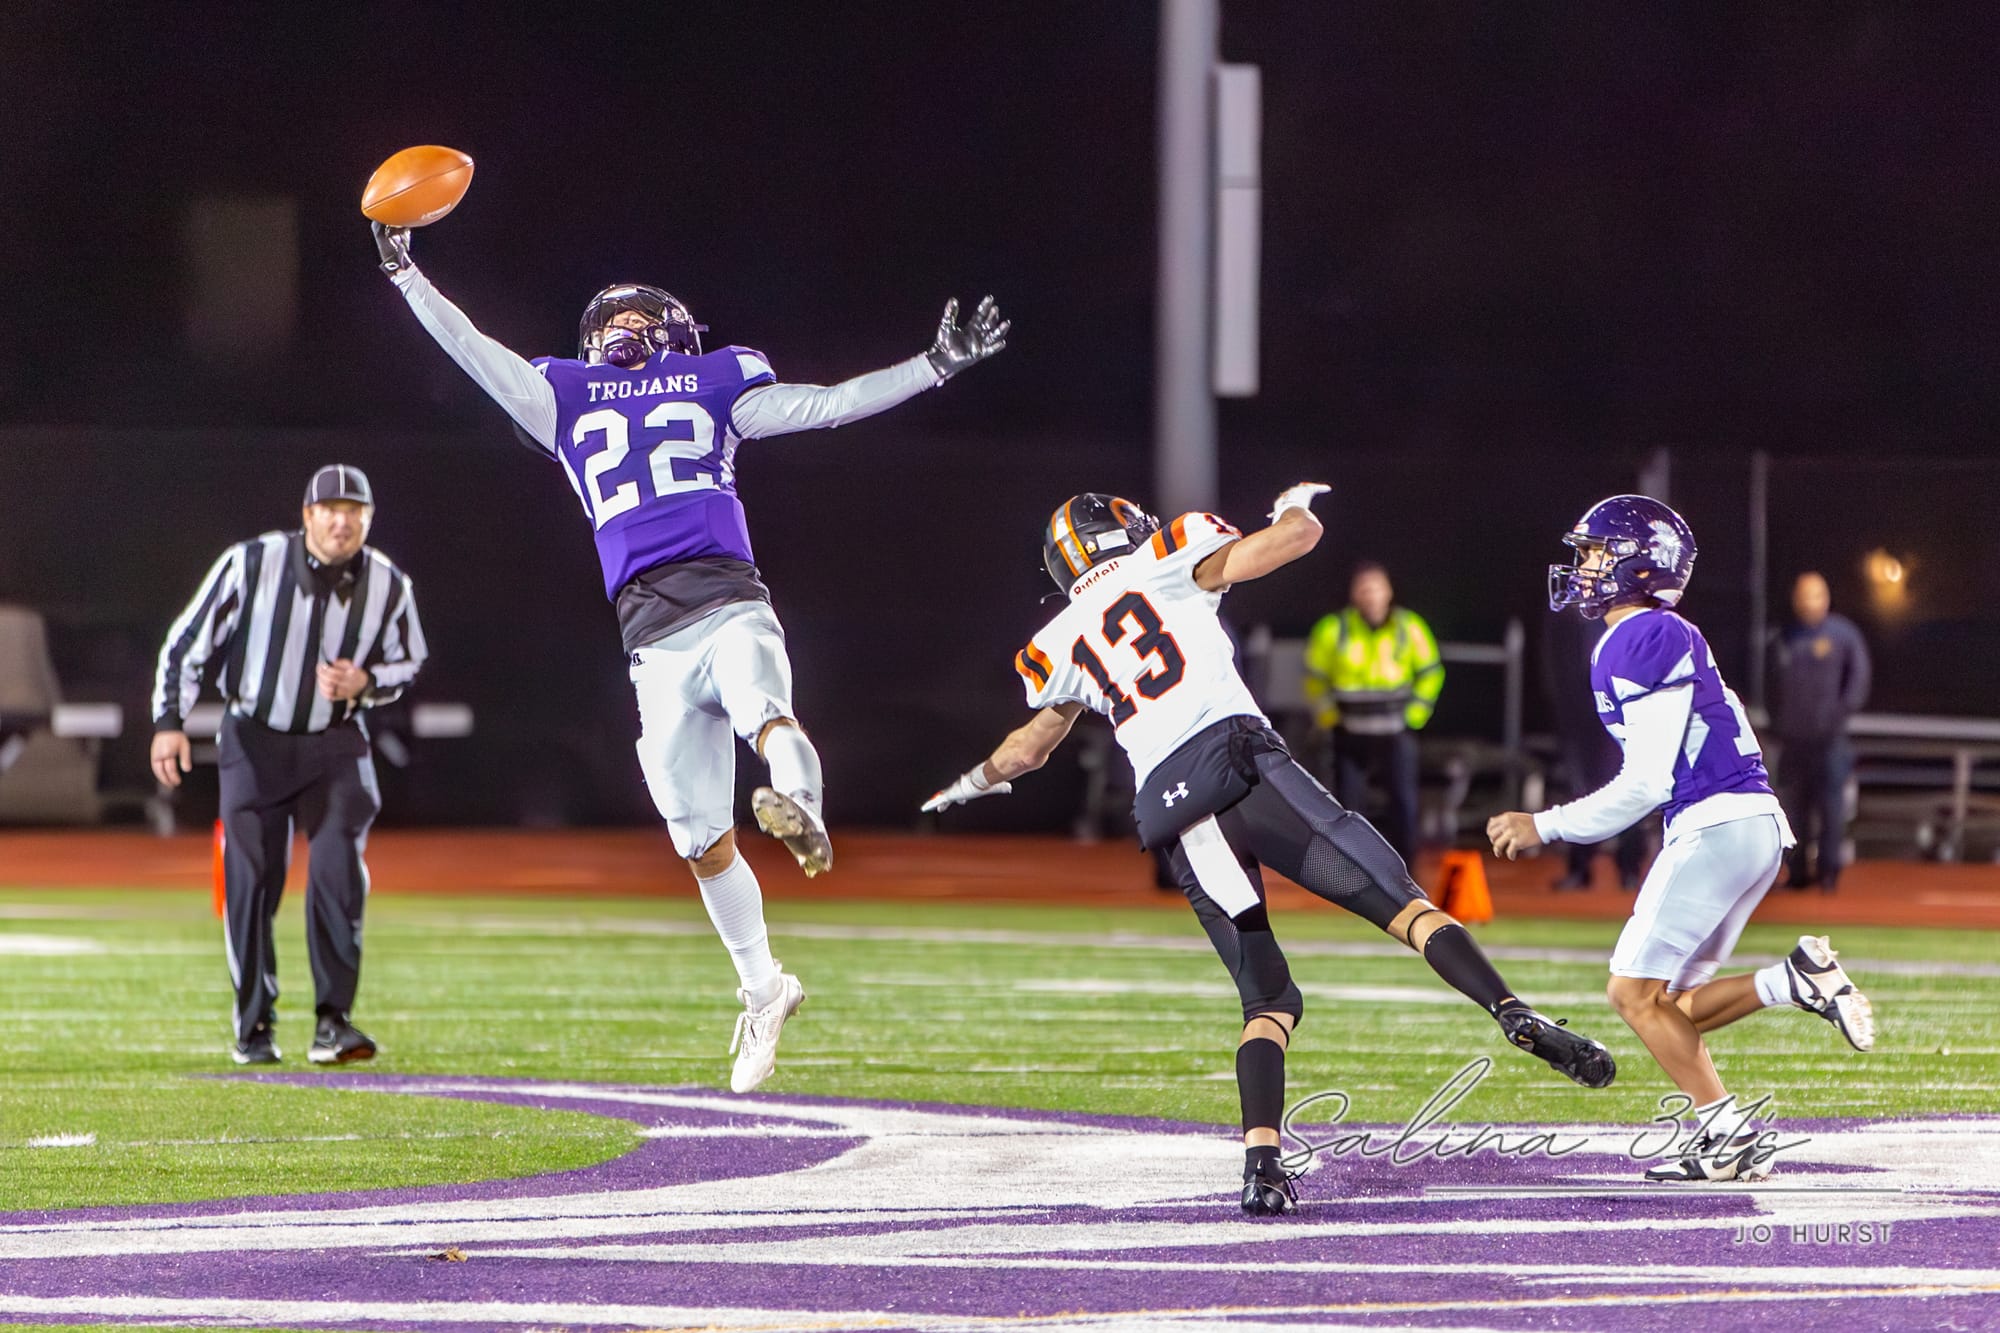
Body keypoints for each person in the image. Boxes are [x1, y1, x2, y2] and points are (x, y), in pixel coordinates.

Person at [370, 220, 1006, 1093]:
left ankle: (803, 809)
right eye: (610, 320)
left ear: (675, 333)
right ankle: (766, 990)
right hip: (650, 641)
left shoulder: (718, 382)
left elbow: (825, 404)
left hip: (729, 598)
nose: (623, 329)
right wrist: (405, 272)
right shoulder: (559, 396)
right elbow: (470, 347)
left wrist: (931, 366)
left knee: (766, 710)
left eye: (640, 318)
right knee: (701, 838)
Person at [924, 486, 1615, 1217]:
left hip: (1174, 811)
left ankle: (1262, 1166)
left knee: (1268, 1000)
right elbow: (1290, 542)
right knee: (1408, 910)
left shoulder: (1059, 639)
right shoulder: (1163, 557)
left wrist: (971, 782)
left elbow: (1028, 750)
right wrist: (1295, 506)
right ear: (1114, 533)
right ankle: (1510, 1010)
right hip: (1245, 763)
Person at [1487, 496, 1874, 1183]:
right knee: (1668, 1004)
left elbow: (1645, 782)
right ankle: (1787, 986)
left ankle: (1725, 1132)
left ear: (1641, 566)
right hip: (1744, 824)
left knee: (1631, 994)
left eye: (1597, 553)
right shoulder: (1654, 634)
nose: (1584, 566)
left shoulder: (1641, 635)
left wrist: (1542, 824)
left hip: (1716, 822)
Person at [151, 466, 427, 1066]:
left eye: (355, 511)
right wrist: (169, 721)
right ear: (307, 516)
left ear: (368, 521)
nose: (342, 521)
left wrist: (366, 681)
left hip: (335, 741)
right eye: (331, 509)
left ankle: (334, 1022)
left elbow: (410, 661)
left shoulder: (387, 583)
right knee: (251, 880)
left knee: (337, 871)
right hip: (255, 740)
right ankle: (254, 1025)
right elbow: (186, 643)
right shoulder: (252, 563)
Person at [1303, 563, 1442, 864]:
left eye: (1376, 588)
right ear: (1354, 593)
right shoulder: (1334, 629)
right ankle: (1353, 865)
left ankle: (1405, 868)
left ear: (1388, 591)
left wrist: (1415, 714)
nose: (1371, 596)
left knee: (1403, 802)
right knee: (1348, 803)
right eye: (1364, 589)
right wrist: (1329, 717)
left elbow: (1431, 672)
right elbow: (1315, 677)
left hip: (1396, 732)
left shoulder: (1409, 627)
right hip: (1350, 732)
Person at [1770, 572, 1871, 893]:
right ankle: (1797, 871)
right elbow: (1770, 685)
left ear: (1826, 598)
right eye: (1803, 596)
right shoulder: (1784, 637)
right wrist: (1777, 722)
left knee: (1831, 808)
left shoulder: (1843, 635)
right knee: (1793, 809)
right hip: (1793, 741)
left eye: (1815, 595)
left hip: (1830, 741)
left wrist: (1839, 715)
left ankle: (1829, 872)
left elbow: (1858, 678)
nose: (1809, 602)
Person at [1542, 606, 1649, 890]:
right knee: (1581, 789)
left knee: (1627, 786)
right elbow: (1556, 660)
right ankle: (1581, 867)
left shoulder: (1629, 609)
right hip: (1579, 712)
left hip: (1620, 710)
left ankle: (1629, 866)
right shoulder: (1569, 612)